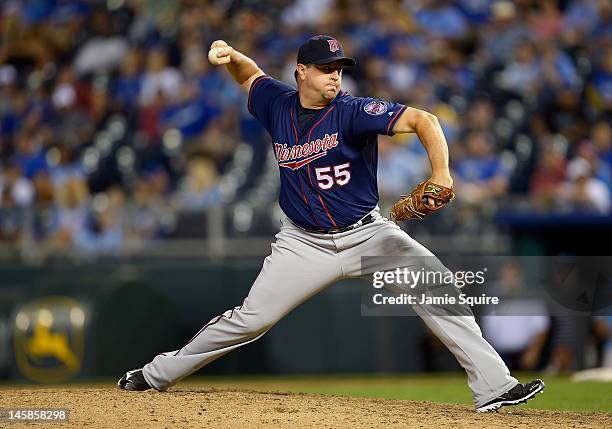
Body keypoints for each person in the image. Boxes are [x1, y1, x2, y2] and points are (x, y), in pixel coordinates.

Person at [118, 35, 544, 412]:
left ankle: (493, 387)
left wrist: (442, 173)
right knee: (250, 320)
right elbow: (250, 76)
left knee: (439, 288)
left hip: (368, 234)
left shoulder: (354, 112)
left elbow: (424, 120)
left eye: (339, 69)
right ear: (301, 71)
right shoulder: (277, 104)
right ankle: (156, 375)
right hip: (303, 244)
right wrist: (230, 55)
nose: (334, 77)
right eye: (325, 69)